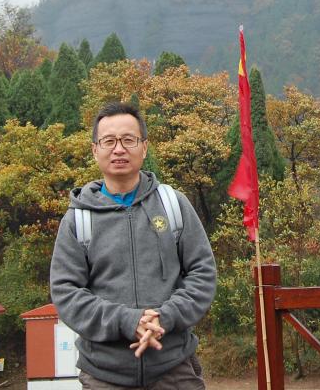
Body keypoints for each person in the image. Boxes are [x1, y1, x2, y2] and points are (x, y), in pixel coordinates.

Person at [51, 102, 217, 389]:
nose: (119, 149)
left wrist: (164, 317)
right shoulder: (79, 218)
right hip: (104, 375)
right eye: (109, 141)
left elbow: (202, 273)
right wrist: (128, 321)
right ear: (95, 150)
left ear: (144, 147)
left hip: (173, 368)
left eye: (129, 140)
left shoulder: (172, 204)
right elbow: (66, 293)